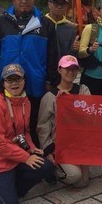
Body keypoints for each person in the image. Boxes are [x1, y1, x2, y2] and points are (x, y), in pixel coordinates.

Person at [0, 63, 54, 204]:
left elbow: (26, 131)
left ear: (24, 80)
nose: (14, 83)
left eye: (18, 79)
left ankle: (11, 189)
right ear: (3, 83)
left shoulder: (25, 101)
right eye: (9, 80)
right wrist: (26, 157)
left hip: (17, 158)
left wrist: (31, 147)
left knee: (46, 166)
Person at [0, 0, 58, 146]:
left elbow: (52, 56)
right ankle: (11, 161)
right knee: (7, 125)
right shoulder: (0, 22)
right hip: (8, 84)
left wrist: (49, 81)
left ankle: (34, 161)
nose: (24, 1)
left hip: (36, 84)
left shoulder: (45, 24)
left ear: (33, 0)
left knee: (32, 125)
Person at [37, 55, 91, 188]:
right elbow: (42, 126)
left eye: (74, 69)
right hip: (59, 146)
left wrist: (71, 100)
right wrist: (48, 150)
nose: (70, 72)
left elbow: (90, 114)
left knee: (84, 182)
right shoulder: (50, 97)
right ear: (59, 69)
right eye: (67, 68)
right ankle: (51, 169)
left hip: (79, 144)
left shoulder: (83, 90)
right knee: (75, 176)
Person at [45, 0, 80, 83]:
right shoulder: (40, 24)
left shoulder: (71, 29)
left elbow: (71, 56)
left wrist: (74, 49)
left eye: (62, 4)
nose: (59, 6)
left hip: (62, 74)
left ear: (66, 7)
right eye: (56, 3)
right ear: (49, 4)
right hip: (42, 71)